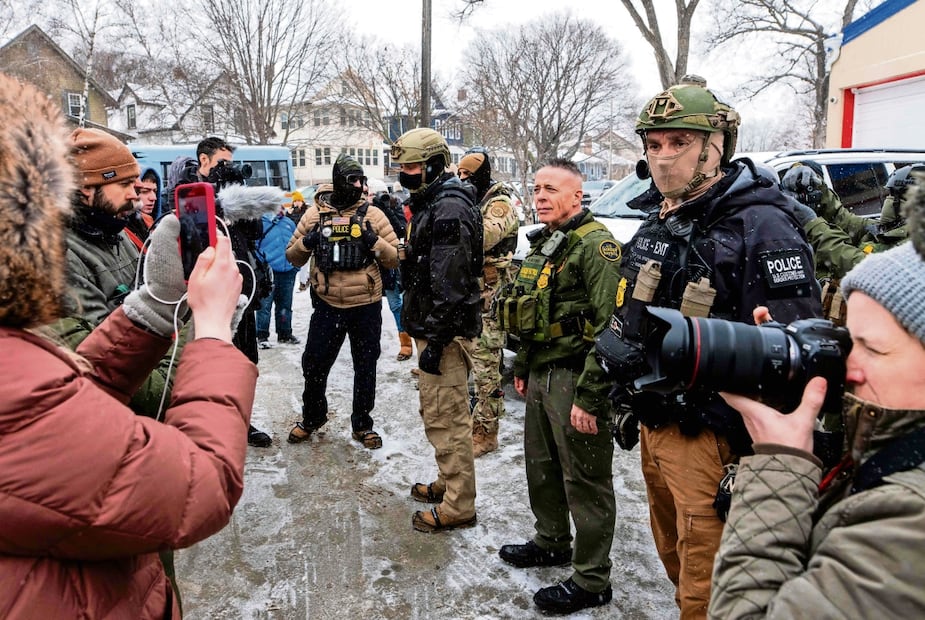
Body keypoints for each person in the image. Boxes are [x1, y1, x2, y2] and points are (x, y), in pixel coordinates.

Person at [0, 72, 256, 619]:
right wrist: (208, 338)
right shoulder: (50, 275)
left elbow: (76, 380)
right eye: (124, 185)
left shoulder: (117, 237)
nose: (138, 195)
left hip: (116, 514)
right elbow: (200, 489)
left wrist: (156, 302)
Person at [605, 77, 821, 619]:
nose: (662, 158)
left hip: (713, 437)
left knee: (710, 585)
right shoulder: (662, 217)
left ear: (715, 146)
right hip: (656, 421)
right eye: (653, 145)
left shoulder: (762, 225)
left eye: (678, 142)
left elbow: (791, 355)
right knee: (676, 558)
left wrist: (754, 460)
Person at [710, 171, 925, 618]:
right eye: (850, 341)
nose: (850, 366)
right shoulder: (901, 443)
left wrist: (780, 467)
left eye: (874, 347)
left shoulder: (908, 517)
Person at [497, 158, 621, 614]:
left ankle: (592, 579)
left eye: (551, 189)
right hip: (544, 372)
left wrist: (591, 397)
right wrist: (524, 365)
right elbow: (534, 311)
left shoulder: (596, 247)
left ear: (577, 195)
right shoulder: (550, 242)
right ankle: (551, 541)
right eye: (536, 189)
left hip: (576, 374)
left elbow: (613, 327)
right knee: (542, 466)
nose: (542, 196)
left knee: (585, 479)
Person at [390, 127, 483, 532]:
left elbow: (452, 282)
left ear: (431, 164)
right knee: (438, 414)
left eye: (411, 166)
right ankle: (448, 483)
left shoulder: (447, 208)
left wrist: (436, 340)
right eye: (402, 167)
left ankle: (459, 504)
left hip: (443, 330)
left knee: (448, 419)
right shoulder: (432, 203)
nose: (404, 173)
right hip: (432, 325)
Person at [284, 154, 398, 450]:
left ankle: (362, 424)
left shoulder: (373, 215)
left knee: (365, 366)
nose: (360, 186)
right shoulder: (314, 214)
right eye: (353, 180)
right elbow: (291, 256)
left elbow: (396, 257)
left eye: (362, 180)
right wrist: (307, 241)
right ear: (339, 181)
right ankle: (312, 417)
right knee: (314, 364)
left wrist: (373, 240)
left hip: (366, 305)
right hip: (327, 303)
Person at [196, 136, 275, 448]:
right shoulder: (189, 191)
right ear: (204, 161)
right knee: (213, 366)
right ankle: (212, 426)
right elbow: (195, 230)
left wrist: (238, 197)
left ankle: (241, 422)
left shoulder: (233, 195)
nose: (227, 169)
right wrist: (214, 195)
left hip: (243, 290)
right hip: (211, 299)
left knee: (245, 364)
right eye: (221, 163)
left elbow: (255, 233)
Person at [457, 147, 519, 457]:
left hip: (490, 299)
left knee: (486, 373)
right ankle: (472, 424)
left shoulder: (499, 204)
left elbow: (482, 237)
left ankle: (486, 432)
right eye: (460, 175)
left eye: (468, 175)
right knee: (468, 369)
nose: (463, 180)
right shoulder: (474, 202)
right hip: (469, 295)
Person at [373, 190, 413, 361]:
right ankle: (405, 344)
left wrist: (386, 209)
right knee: (395, 304)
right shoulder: (369, 212)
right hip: (382, 266)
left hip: (399, 263)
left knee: (407, 303)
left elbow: (401, 229)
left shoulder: (395, 207)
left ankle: (411, 341)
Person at [256, 206, 301, 348]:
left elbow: (297, 243)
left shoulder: (288, 222)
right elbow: (255, 246)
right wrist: (262, 265)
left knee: (285, 305)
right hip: (268, 272)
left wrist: (295, 266)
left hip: (288, 271)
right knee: (265, 305)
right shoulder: (259, 223)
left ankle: (285, 333)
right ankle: (262, 335)